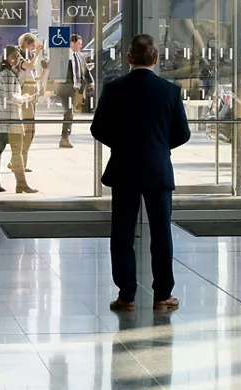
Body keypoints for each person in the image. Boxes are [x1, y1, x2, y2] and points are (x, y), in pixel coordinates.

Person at [91, 34, 191, 312]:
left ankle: (126, 295)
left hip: (123, 169)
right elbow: (183, 133)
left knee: (122, 233)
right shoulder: (169, 91)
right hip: (158, 170)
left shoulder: (114, 89)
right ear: (157, 59)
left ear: (128, 58)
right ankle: (162, 295)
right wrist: (159, 146)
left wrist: (123, 145)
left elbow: (97, 129)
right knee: (161, 233)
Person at [0, 45, 35, 194]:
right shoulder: (7, 75)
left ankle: (21, 183)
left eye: (18, 57)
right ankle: (20, 184)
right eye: (13, 57)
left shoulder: (6, 73)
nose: (17, 59)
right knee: (14, 152)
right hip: (9, 120)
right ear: (6, 58)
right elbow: (10, 97)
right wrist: (24, 98)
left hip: (7, 120)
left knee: (15, 152)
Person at [57, 34, 94, 150]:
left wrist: (91, 81)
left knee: (70, 112)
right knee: (69, 111)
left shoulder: (80, 56)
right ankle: (65, 137)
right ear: (72, 43)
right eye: (79, 44)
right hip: (67, 88)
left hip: (77, 88)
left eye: (81, 44)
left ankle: (65, 137)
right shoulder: (64, 56)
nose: (80, 46)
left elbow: (86, 70)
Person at [17, 32, 47, 171]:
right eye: (32, 46)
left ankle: (21, 161)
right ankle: (19, 161)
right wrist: (37, 54)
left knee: (30, 129)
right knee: (28, 129)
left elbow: (34, 75)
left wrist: (44, 72)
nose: (33, 49)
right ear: (26, 44)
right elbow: (29, 67)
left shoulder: (28, 56)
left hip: (31, 95)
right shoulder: (19, 56)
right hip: (25, 95)